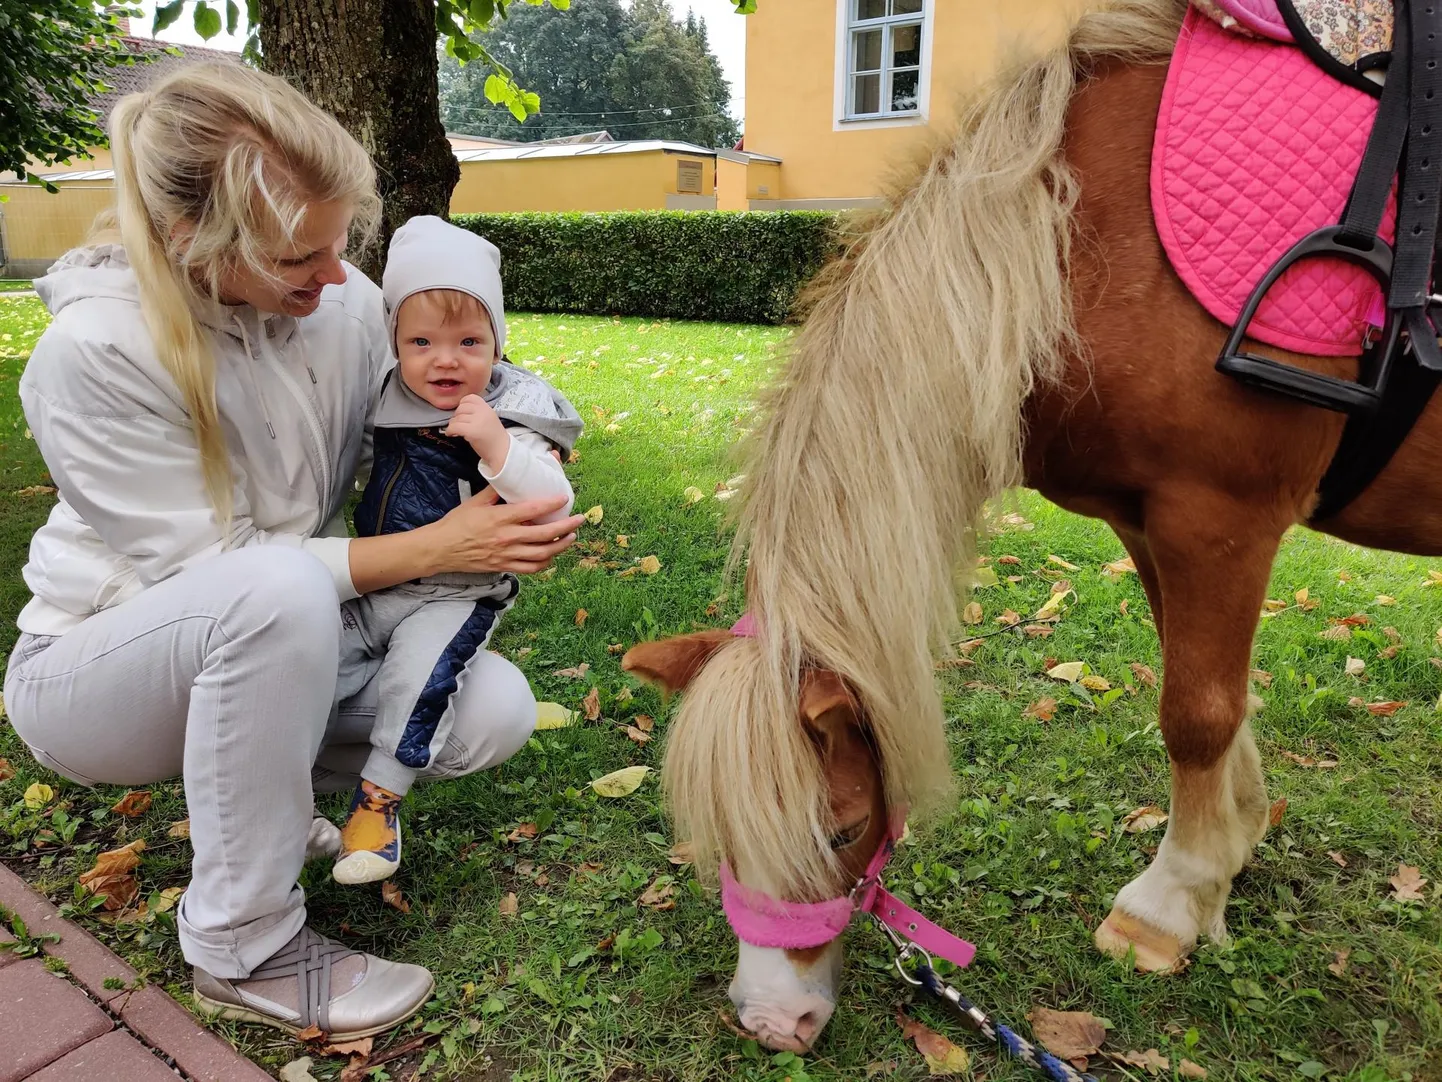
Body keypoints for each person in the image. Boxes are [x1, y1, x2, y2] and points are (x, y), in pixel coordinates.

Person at [1, 62, 584, 1041]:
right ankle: (241, 943)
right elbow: (215, 576)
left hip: (281, 638)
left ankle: (262, 810)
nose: (335, 277)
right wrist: (438, 544)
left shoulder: (344, 305)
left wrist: (522, 475)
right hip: (96, 674)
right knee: (272, 590)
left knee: (488, 708)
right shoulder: (94, 352)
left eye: (338, 244)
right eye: (296, 257)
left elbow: (446, 397)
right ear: (190, 239)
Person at [331, 215, 581, 885]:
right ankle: (281, 800)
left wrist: (496, 445)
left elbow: (552, 497)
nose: (447, 359)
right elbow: (362, 464)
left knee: (419, 683)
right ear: (396, 346)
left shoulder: (514, 413)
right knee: (302, 659)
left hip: (455, 592)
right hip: (377, 577)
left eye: (470, 340)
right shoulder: (389, 398)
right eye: (422, 342)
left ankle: (375, 809)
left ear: (498, 343)